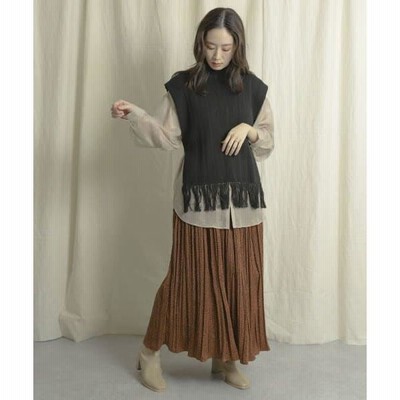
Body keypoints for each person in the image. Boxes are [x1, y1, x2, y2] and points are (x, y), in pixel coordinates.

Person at [111, 7, 274, 392]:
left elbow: (267, 142)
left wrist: (249, 129)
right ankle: (149, 352)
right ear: (200, 43)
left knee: (239, 282)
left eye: (226, 48)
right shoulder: (184, 86)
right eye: (210, 46)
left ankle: (226, 359)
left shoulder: (253, 88)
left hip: (244, 207)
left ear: (238, 47)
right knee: (185, 282)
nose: (217, 55)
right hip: (198, 205)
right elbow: (166, 137)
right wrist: (135, 114)